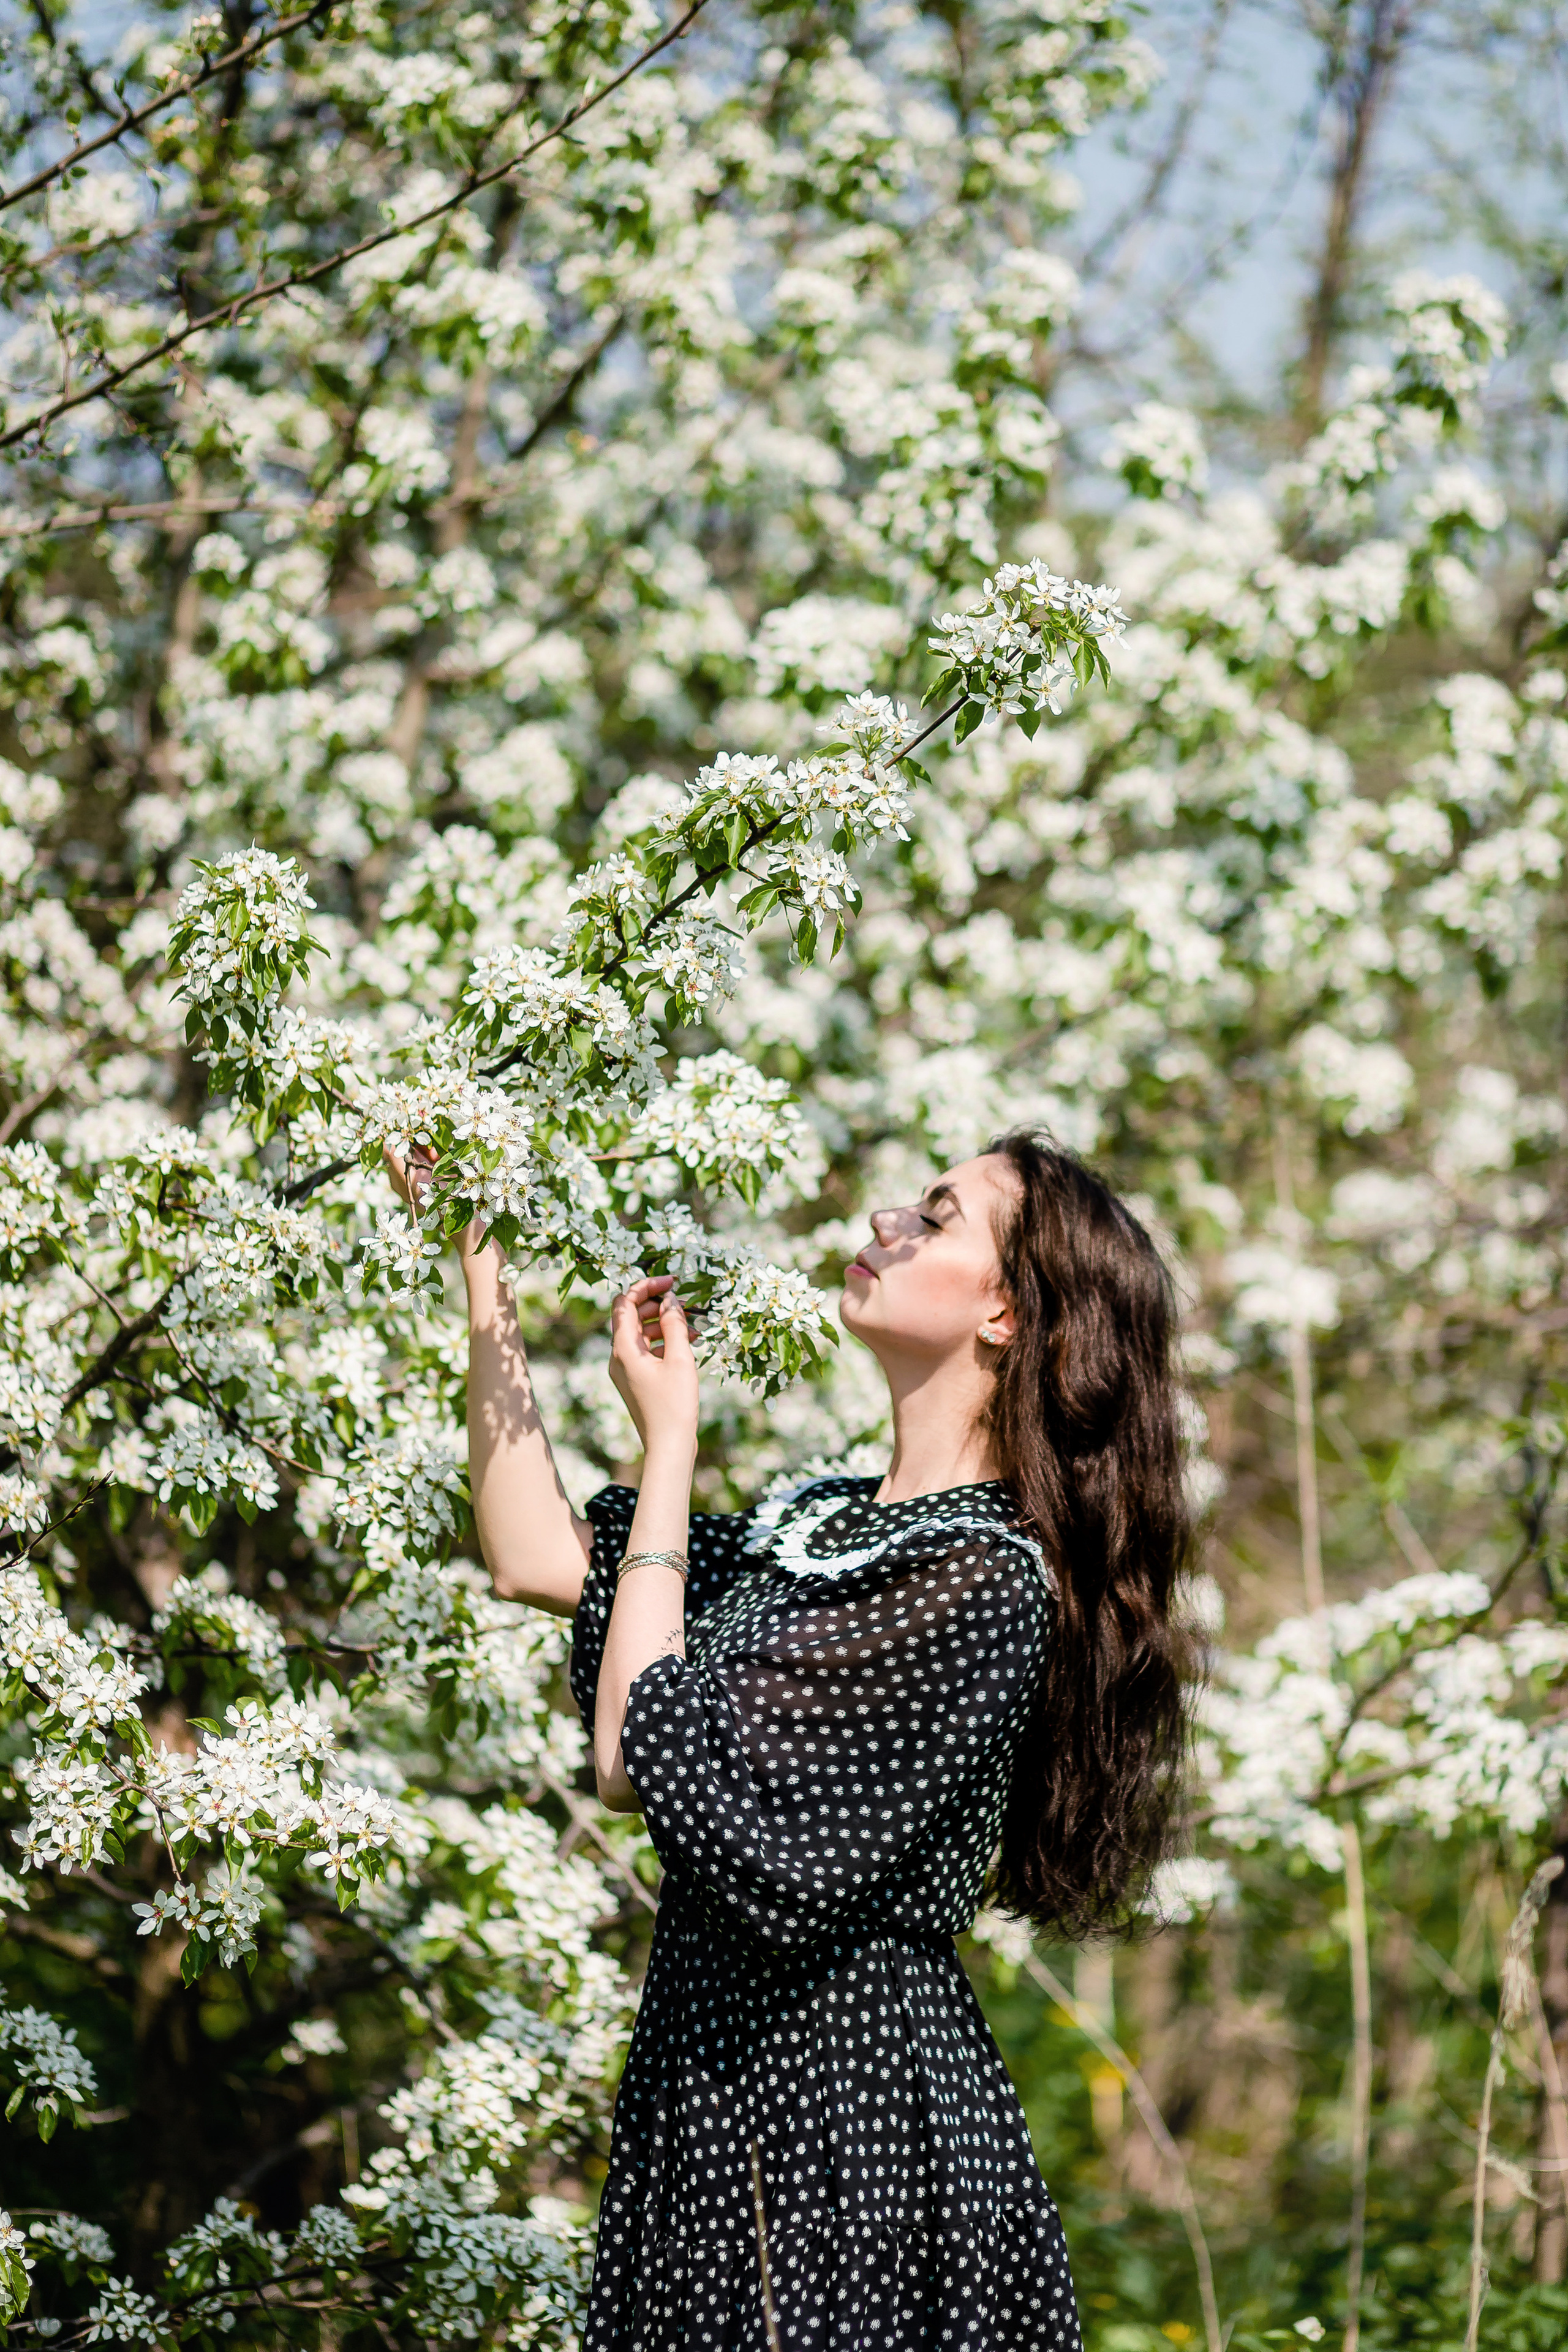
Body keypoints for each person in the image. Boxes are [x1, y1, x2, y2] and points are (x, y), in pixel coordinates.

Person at [387, 1131, 1194, 2351]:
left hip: (841, 2124)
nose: (886, 1224)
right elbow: (533, 1555)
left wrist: (671, 1450)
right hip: (707, 2091)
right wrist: (481, 1252)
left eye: (937, 1219)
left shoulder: (978, 1580)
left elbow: (630, 1756)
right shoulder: (814, 1528)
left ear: (1008, 1318)